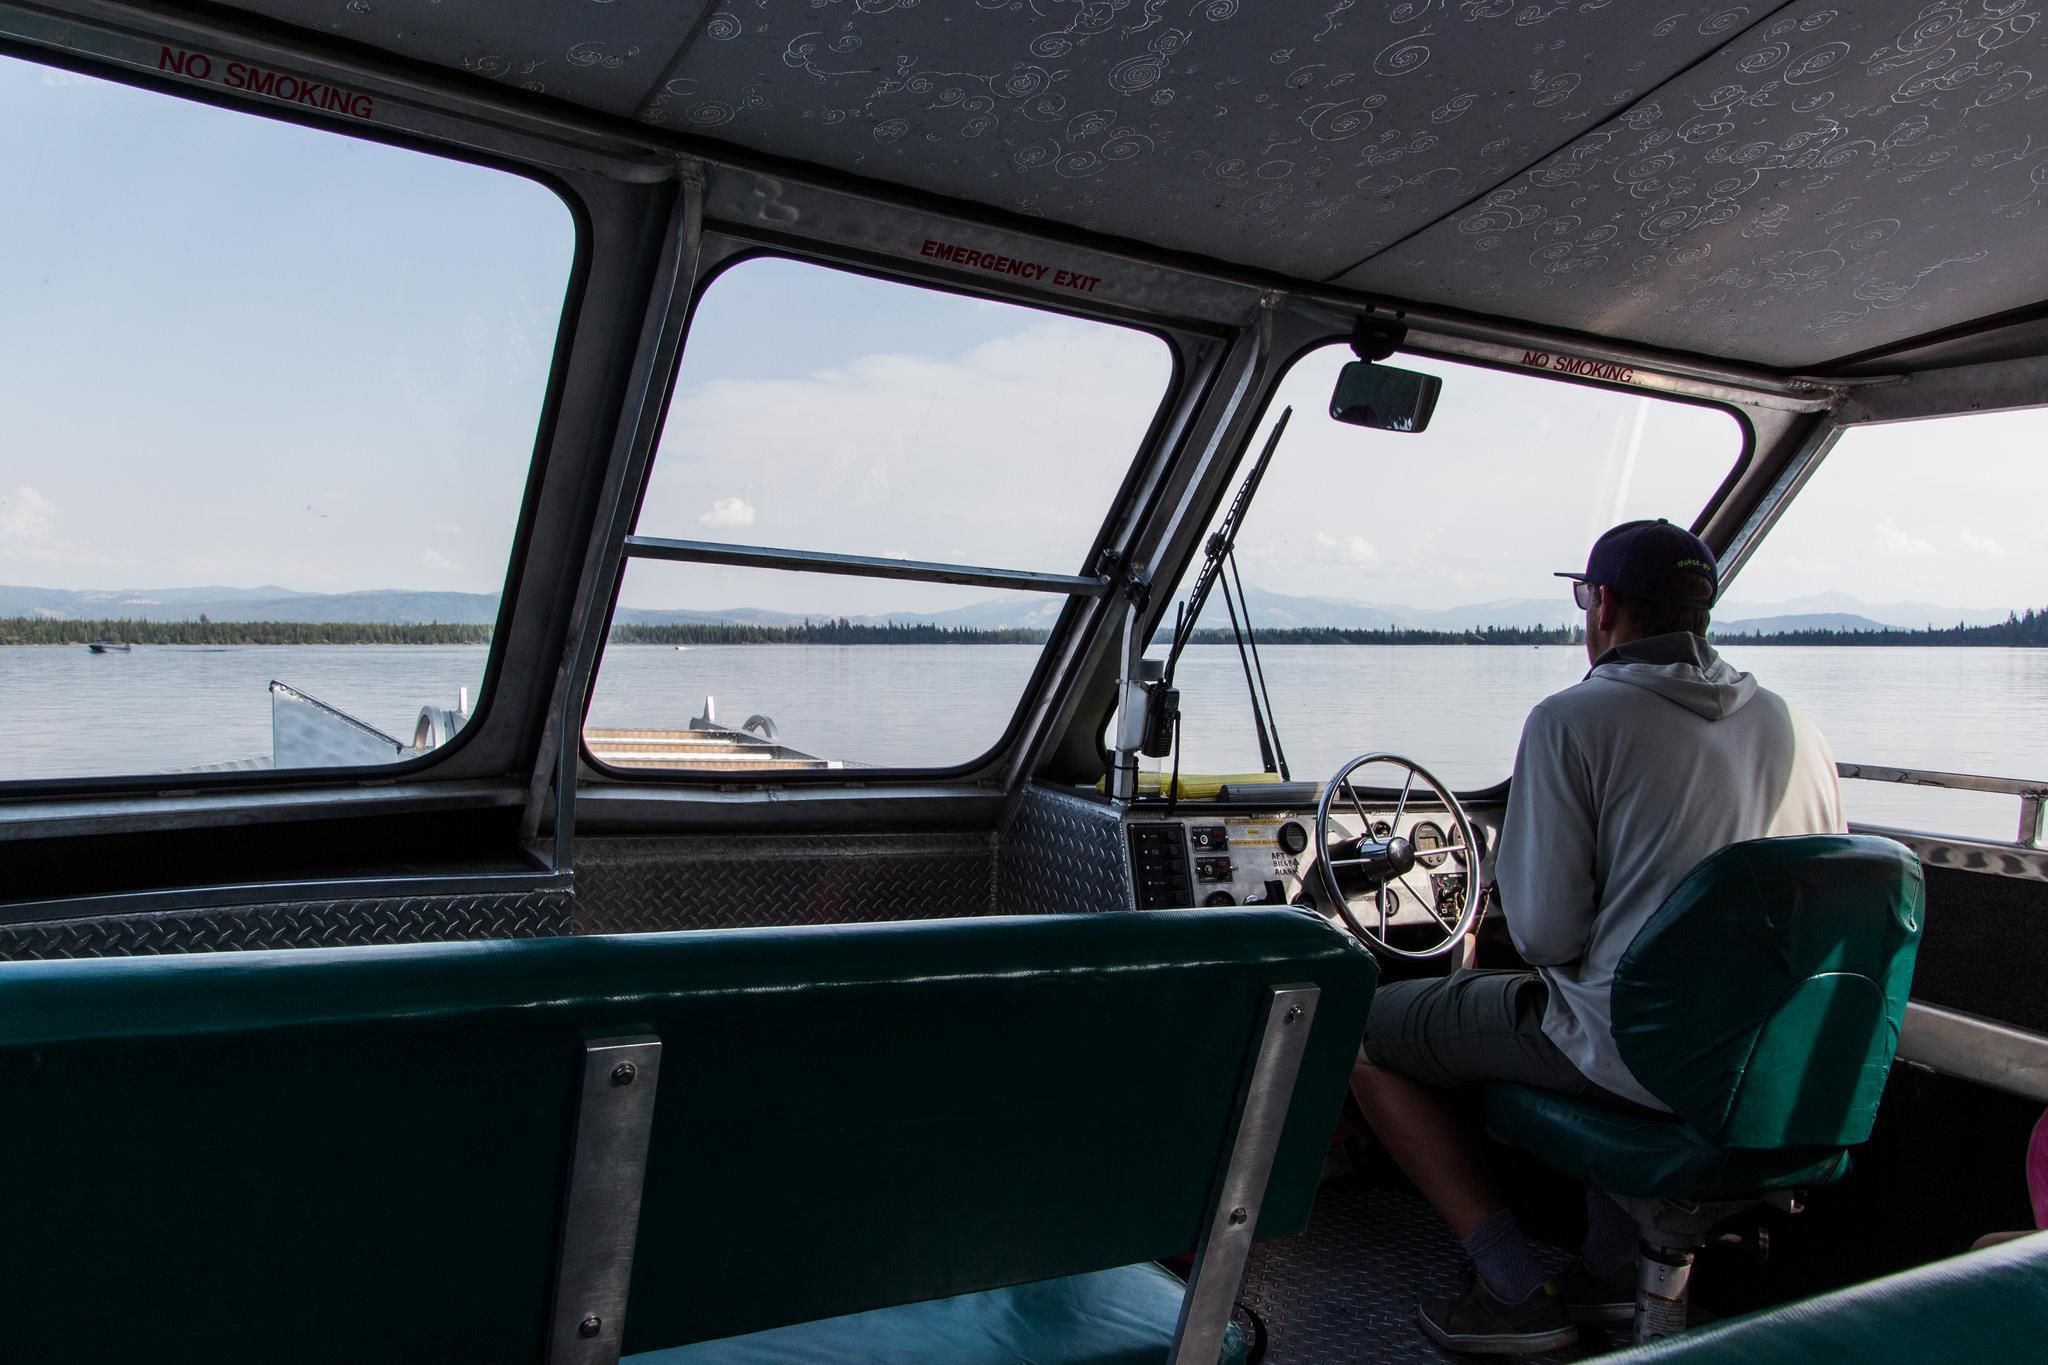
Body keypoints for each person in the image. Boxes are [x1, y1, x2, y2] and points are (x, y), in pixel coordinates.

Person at [1349, 519, 1844, 1354]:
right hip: (1771, 1065)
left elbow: (1544, 933)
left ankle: (1511, 1289)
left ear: (1604, 605)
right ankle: (1613, 1278)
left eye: (1585, 598)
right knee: (1611, 999)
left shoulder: (1572, 720)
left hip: (1639, 1057)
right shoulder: (1798, 728)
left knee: (1364, 1035)